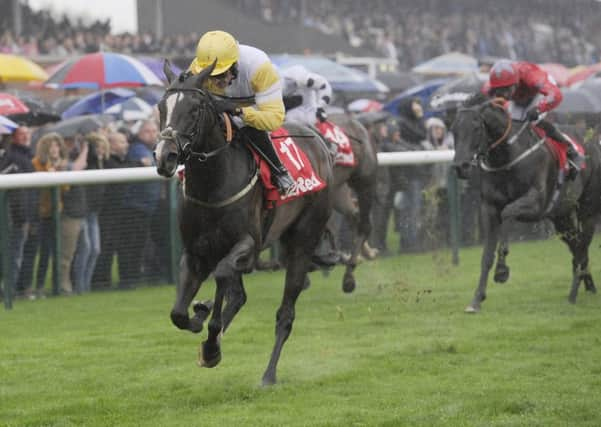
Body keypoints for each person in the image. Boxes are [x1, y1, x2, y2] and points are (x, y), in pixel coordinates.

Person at [188, 30, 294, 194]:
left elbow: (274, 120)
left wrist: (239, 111)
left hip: (254, 105)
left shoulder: (259, 67)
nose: (217, 81)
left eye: (222, 74)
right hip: (219, 107)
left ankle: (279, 171)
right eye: (212, 75)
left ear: (235, 64)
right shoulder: (196, 69)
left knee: (248, 128)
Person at [487, 59, 581, 177]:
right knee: (511, 124)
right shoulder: (492, 85)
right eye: (500, 90)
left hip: (540, 93)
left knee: (536, 122)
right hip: (520, 98)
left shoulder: (531, 76)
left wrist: (538, 108)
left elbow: (556, 94)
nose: (504, 94)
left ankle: (572, 150)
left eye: (506, 89)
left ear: (516, 82)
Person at [30, 132, 68, 299]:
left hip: (56, 214)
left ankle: (56, 287)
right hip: (41, 215)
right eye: (52, 146)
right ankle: (37, 287)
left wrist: (59, 171)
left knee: (56, 251)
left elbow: (65, 188)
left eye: (57, 145)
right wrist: (50, 172)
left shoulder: (60, 165)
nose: (55, 149)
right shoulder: (36, 163)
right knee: (43, 253)